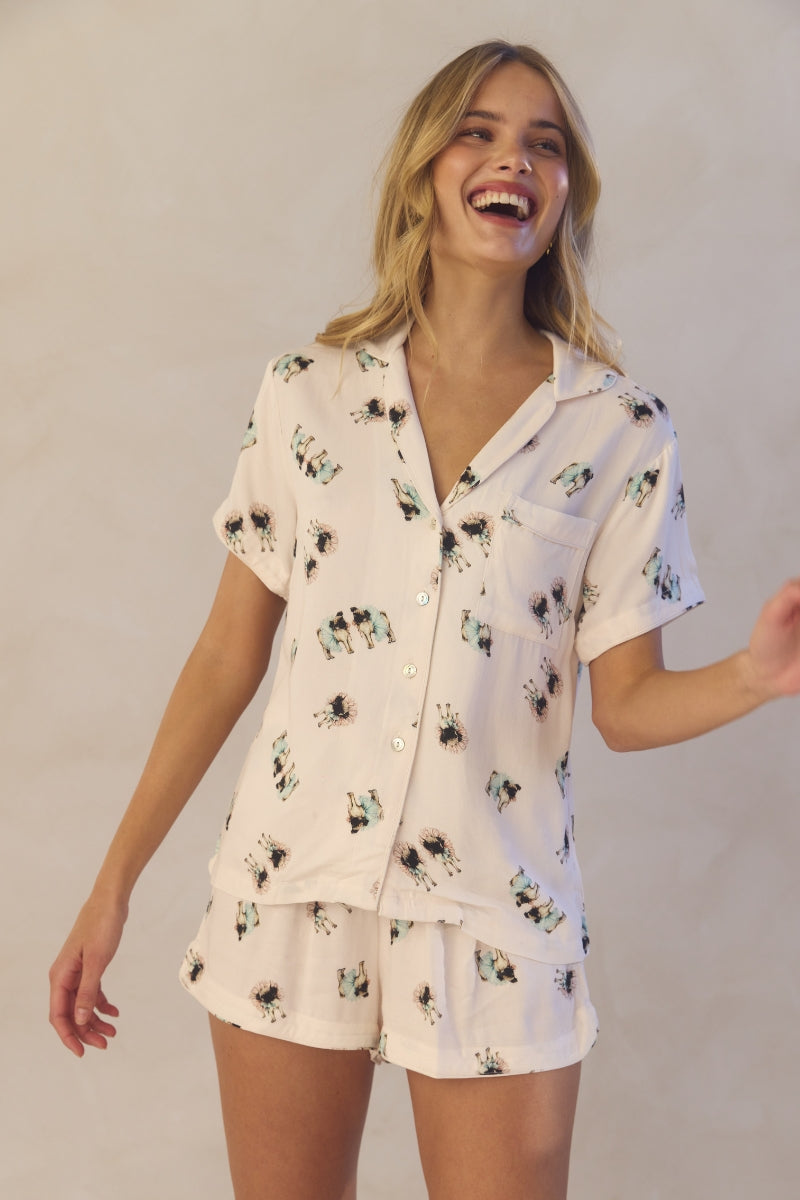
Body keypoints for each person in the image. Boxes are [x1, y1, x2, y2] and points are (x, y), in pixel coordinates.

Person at [48, 40, 800, 1200]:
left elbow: (625, 706)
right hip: (291, 888)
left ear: (565, 193)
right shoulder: (307, 392)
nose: (514, 160)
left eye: (544, 144)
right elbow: (225, 655)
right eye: (478, 133)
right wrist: (114, 882)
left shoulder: (617, 433)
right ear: (421, 173)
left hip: (496, 913)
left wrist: (753, 674)